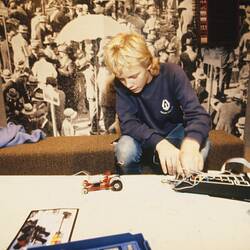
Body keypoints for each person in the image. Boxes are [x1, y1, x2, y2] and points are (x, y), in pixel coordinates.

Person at [104, 33, 211, 176]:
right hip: (142, 138)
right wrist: (159, 143)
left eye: (133, 76)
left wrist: (190, 146)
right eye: (122, 79)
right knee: (125, 149)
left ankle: (186, 181)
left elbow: (198, 115)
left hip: (174, 134)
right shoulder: (120, 85)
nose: (128, 84)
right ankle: (135, 188)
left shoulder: (173, 73)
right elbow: (128, 124)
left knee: (202, 144)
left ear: (148, 64)